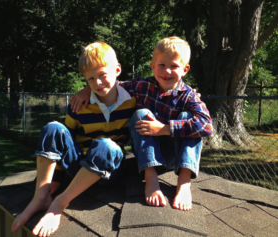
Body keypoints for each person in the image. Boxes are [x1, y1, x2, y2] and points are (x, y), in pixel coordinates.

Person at [70, 36, 213, 211]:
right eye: (161, 65)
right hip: (146, 155)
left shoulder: (189, 95)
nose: (167, 71)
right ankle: (151, 178)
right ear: (153, 66)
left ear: (185, 69)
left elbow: (206, 125)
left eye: (174, 66)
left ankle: (184, 183)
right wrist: (86, 89)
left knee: (187, 116)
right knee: (141, 114)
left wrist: (164, 129)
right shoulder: (143, 86)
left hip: (172, 156)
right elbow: (110, 83)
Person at [11, 42, 136, 236]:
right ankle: (41, 195)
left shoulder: (133, 101)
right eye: (91, 79)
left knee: (107, 146)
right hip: (78, 167)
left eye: (103, 75)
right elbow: (63, 141)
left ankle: (60, 203)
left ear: (117, 70)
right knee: (53, 127)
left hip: (109, 171)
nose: (98, 83)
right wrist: (58, 177)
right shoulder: (80, 105)